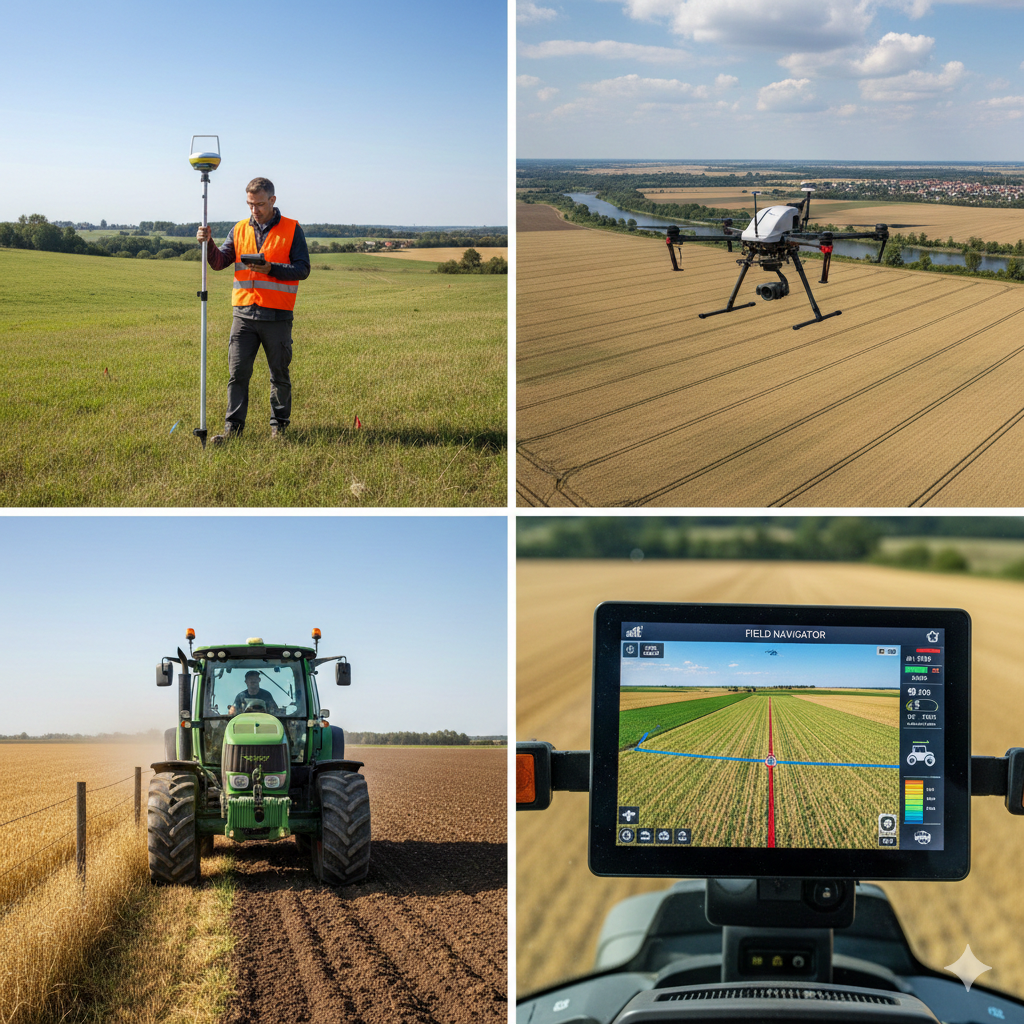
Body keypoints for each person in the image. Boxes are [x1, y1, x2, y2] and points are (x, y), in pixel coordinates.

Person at [196, 177, 310, 443]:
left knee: (279, 374)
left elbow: (303, 269)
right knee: (238, 375)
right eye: (250, 204)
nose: (254, 210)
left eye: (259, 204)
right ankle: (232, 430)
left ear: (272, 200)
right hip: (244, 315)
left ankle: (279, 430)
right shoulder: (238, 229)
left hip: (277, 316)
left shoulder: (293, 229)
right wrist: (208, 243)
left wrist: (272, 269)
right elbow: (219, 262)